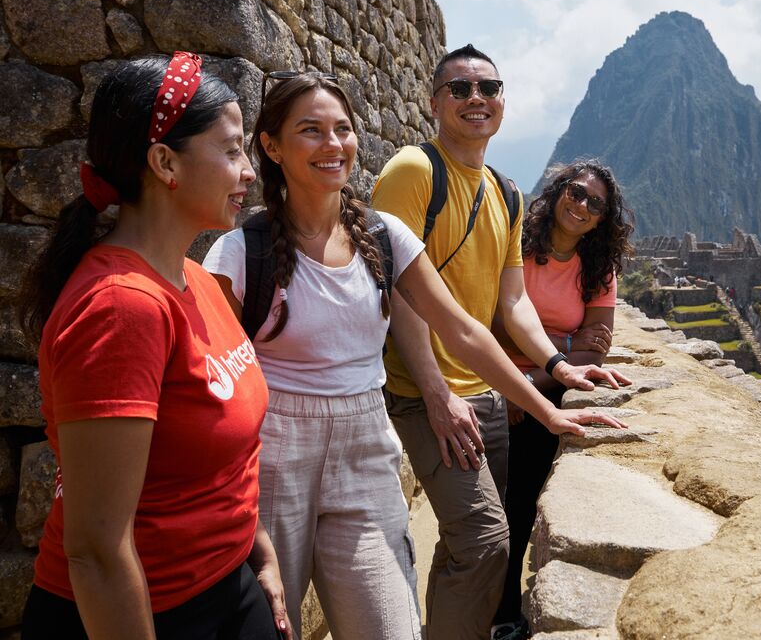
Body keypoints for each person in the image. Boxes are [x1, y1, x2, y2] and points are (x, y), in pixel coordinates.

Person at [203, 72, 624, 639]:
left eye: (343, 129)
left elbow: (464, 331)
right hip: (276, 450)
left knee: (391, 625)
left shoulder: (385, 237)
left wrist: (551, 409)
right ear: (272, 146)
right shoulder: (238, 256)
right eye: (311, 131)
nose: (333, 145)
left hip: (364, 446)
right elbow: (216, 388)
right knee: (272, 624)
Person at [18, 54, 289, 639]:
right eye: (233, 149)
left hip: (225, 588)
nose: (249, 172)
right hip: (146, 614)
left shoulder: (194, 279)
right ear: (166, 162)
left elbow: (219, 458)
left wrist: (255, 550)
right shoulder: (122, 307)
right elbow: (95, 550)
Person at [372, 44, 630, 640]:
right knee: (485, 538)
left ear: (503, 102)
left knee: (479, 541)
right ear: (434, 102)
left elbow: (512, 305)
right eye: (459, 89)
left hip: (483, 392)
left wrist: (559, 367)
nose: (475, 99)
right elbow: (396, 293)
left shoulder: (505, 194)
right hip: (423, 391)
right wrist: (435, 392)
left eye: (488, 88)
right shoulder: (413, 172)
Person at [489, 160, 635, 639]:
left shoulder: (597, 270)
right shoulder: (516, 245)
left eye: (596, 204)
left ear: (601, 220)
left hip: (543, 394)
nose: (582, 206)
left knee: (521, 505)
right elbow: (490, 318)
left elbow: (597, 344)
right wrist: (557, 348)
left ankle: (504, 614)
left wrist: (532, 378)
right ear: (558, 192)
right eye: (577, 192)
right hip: (488, 383)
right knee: (478, 510)